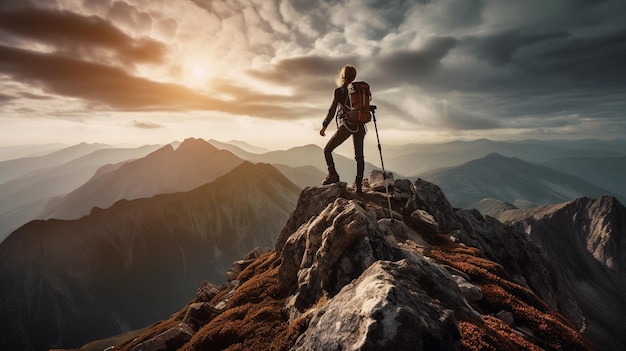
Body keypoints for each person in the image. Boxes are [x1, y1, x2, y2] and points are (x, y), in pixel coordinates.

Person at [319, 65, 368, 193]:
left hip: (347, 125)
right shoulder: (359, 91)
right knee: (359, 156)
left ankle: (333, 175)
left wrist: (324, 125)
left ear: (342, 76)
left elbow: (332, 109)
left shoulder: (339, 91)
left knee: (327, 150)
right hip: (360, 125)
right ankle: (358, 186)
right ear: (354, 77)